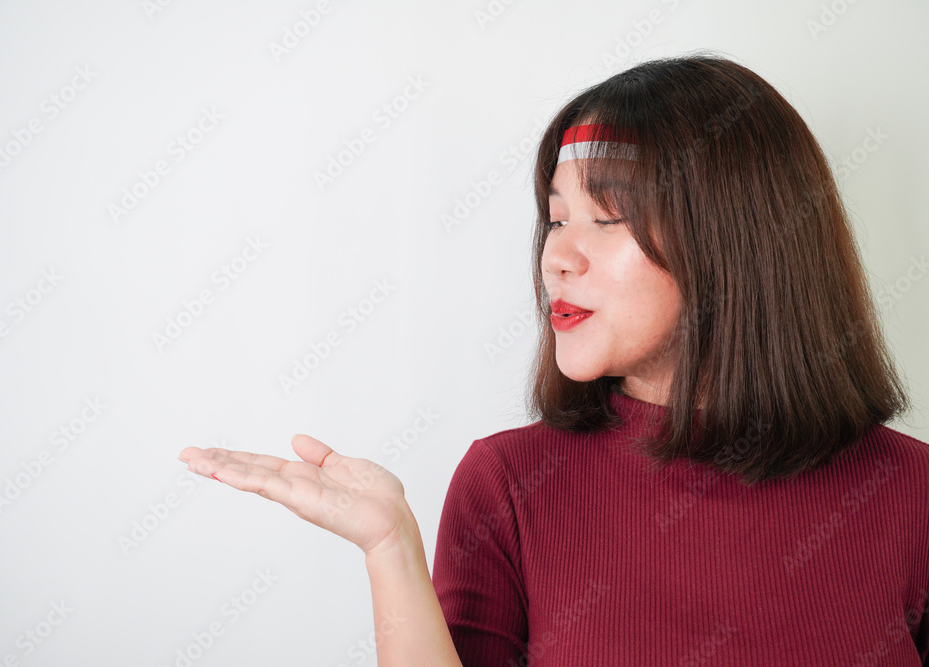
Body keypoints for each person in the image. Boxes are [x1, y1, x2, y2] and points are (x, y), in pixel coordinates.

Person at [178, 53, 929, 665]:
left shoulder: (913, 494)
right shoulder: (505, 486)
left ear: (737, 246)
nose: (557, 258)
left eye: (607, 219)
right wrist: (389, 549)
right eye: (555, 218)